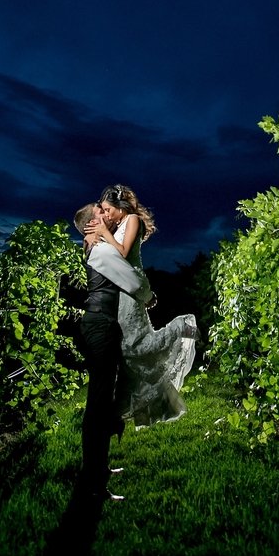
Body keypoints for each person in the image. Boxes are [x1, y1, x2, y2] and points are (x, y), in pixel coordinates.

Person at [85, 184, 199, 429]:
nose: (105, 214)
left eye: (107, 209)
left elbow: (123, 254)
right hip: (121, 290)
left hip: (131, 288)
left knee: (135, 346)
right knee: (127, 352)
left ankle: (181, 326)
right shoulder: (114, 225)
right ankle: (121, 409)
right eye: (102, 211)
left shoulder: (133, 219)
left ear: (119, 207)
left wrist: (104, 232)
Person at [73, 201, 155, 501]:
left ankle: (99, 468)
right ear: (91, 226)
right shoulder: (103, 249)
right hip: (100, 326)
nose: (107, 216)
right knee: (97, 404)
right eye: (101, 214)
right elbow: (132, 280)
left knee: (105, 399)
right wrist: (148, 296)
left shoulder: (99, 246)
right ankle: (92, 482)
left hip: (103, 325)